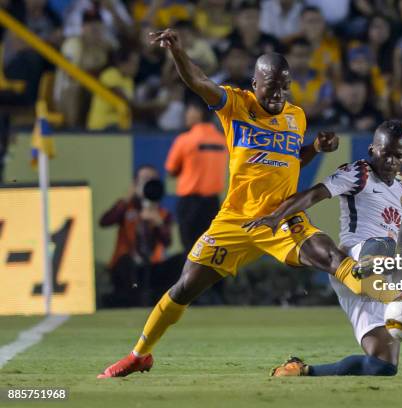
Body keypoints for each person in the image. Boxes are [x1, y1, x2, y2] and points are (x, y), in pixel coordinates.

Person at [97, 28, 385, 379]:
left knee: (328, 255)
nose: (278, 93)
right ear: (255, 83)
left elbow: (290, 160)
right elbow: (198, 81)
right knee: (185, 287)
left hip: (280, 216)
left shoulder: (296, 117)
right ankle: (139, 355)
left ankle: (385, 293)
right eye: (271, 85)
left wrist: (314, 150)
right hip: (235, 219)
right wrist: (177, 52)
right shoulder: (235, 104)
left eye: (284, 85)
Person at [242, 120, 402, 376]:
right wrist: (277, 216)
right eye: (386, 153)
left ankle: (301, 370)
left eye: (398, 156)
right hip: (352, 259)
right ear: (372, 149)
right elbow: (315, 194)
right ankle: (383, 280)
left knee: (383, 366)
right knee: (384, 243)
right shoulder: (358, 174)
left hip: (374, 278)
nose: (391, 161)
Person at [100, 165, 173, 307]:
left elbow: (167, 242)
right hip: (127, 265)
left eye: (152, 180)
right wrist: (127, 199)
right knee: (126, 263)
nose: (148, 183)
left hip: (153, 266)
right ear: (136, 183)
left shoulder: (162, 213)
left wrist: (158, 223)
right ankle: (129, 299)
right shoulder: (126, 207)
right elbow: (105, 221)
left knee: (179, 261)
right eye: (144, 179)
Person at [165, 98, 227, 252]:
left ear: (198, 113)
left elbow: (171, 170)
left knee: (190, 251)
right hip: (212, 204)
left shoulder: (185, 140)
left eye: (189, 110)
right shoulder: (223, 141)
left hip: (189, 205)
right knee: (210, 251)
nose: (186, 115)